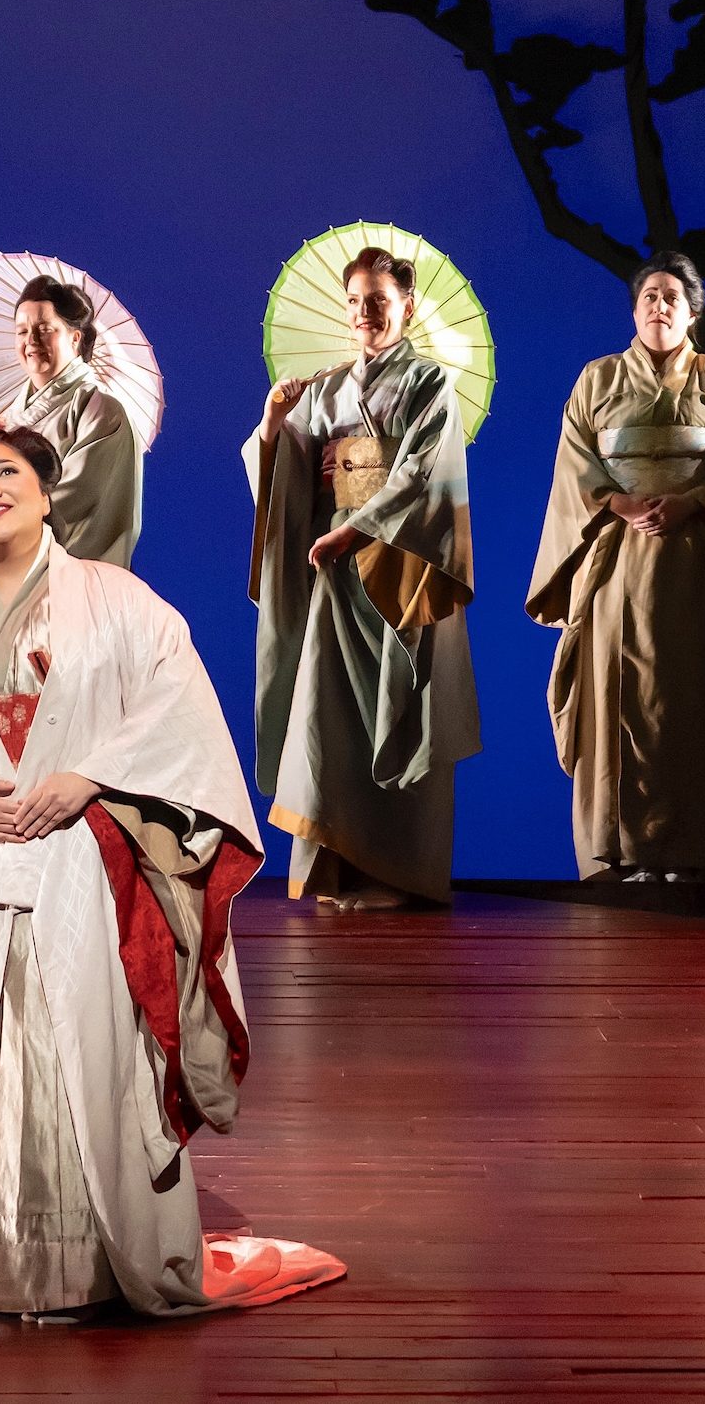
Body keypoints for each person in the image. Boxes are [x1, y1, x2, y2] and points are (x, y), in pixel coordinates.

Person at [0, 426, 344, 1318]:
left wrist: (90, 775)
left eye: (7, 471)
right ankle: (5, 1264)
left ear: (47, 494)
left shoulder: (120, 600)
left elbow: (177, 710)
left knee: (93, 1048)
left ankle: (102, 1262)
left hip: (90, 858)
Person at [247, 245, 479, 910]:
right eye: (354, 301)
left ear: (407, 306)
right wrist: (273, 426)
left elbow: (424, 471)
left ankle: (397, 873)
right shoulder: (324, 389)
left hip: (398, 565)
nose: (364, 312)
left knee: (398, 710)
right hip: (332, 567)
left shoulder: (429, 384)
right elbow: (287, 474)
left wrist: (358, 527)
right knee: (327, 715)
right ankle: (337, 869)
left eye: (378, 300)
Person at [529, 252, 705, 881]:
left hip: (696, 560)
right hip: (617, 560)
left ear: (693, 313)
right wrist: (618, 501)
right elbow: (575, 463)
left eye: (672, 297)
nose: (660, 306)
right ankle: (622, 852)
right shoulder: (598, 378)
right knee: (616, 692)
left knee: (690, 695)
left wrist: (694, 499)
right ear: (634, 310)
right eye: (650, 296)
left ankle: (694, 852)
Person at [0, 274, 141, 572]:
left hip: (64, 569)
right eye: (22, 331)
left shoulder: (101, 411)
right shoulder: (8, 419)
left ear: (75, 338)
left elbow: (79, 495)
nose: (31, 341)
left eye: (45, 329)